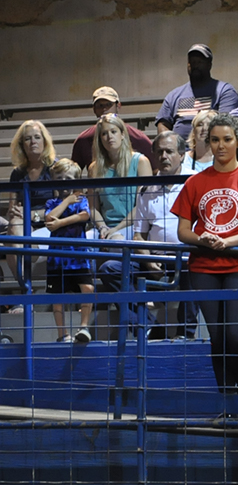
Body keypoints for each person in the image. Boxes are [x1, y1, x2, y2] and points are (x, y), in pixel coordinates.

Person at [172, 114, 238, 392]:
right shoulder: (195, 182)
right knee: (217, 337)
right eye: (215, 140)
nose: (221, 145)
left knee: (236, 333)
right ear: (208, 142)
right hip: (204, 266)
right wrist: (204, 240)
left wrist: (229, 241)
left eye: (227, 139)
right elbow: (183, 231)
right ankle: (227, 401)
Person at [99, 132, 199, 340]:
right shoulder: (146, 188)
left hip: (189, 255)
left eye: (169, 152)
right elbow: (138, 235)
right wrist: (147, 259)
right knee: (110, 269)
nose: (164, 156)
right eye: (159, 152)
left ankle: (185, 334)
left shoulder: (196, 182)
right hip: (155, 257)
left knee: (195, 267)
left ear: (181, 155)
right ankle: (149, 327)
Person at [44, 159, 93, 343]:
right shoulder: (52, 202)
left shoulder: (81, 200)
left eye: (69, 178)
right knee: (58, 297)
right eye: (60, 178)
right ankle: (62, 334)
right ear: (53, 180)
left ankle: (84, 327)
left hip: (79, 256)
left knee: (87, 288)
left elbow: (85, 215)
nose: (64, 182)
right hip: (57, 259)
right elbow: (49, 218)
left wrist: (61, 223)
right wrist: (66, 201)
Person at [6, 120, 57, 283]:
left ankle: (24, 291)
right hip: (24, 225)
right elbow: (12, 209)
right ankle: (24, 286)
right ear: (22, 144)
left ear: (44, 141)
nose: (33, 142)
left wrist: (32, 214)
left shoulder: (54, 168)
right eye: (27, 139)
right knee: (13, 226)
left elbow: (61, 208)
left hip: (50, 224)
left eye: (37, 137)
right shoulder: (17, 173)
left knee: (13, 241)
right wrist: (17, 213)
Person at [88, 113, 152, 240]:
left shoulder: (140, 162)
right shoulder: (94, 168)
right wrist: (103, 228)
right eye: (104, 134)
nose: (109, 137)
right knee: (79, 242)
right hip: (104, 228)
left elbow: (142, 205)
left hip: (134, 226)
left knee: (116, 240)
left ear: (122, 134)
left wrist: (116, 230)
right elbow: (93, 208)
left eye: (113, 131)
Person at [156, 44, 238, 139]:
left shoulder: (224, 91)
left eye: (199, 62)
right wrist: (172, 145)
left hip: (211, 150)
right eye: (192, 62)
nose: (195, 65)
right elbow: (163, 124)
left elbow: (225, 125)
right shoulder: (174, 95)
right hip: (180, 151)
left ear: (209, 65)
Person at [71, 87, 155, 172]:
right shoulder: (83, 140)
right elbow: (72, 171)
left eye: (108, 104)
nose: (104, 109)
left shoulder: (138, 138)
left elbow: (156, 167)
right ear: (94, 109)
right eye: (100, 105)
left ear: (118, 105)